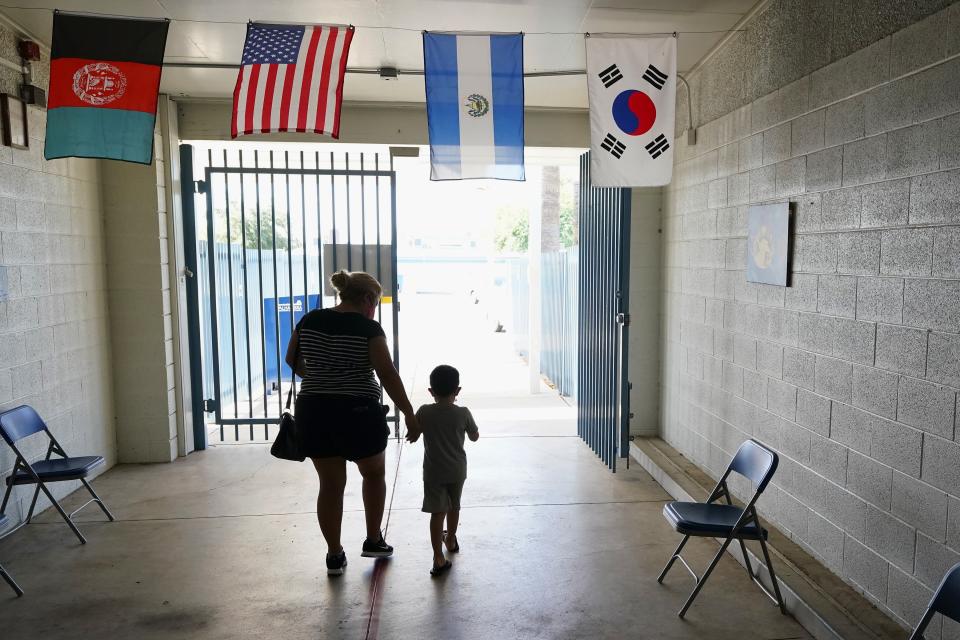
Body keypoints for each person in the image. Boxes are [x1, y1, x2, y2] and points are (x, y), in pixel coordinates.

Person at [285, 270, 418, 576]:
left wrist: (321, 379)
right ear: (368, 298)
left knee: (330, 485)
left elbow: (292, 358)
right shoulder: (368, 327)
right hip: (358, 413)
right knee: (373, 473)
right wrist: (409, 411)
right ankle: (373, 539)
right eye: (375, 301)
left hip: (315, 411)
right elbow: (386, 373)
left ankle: (334, 555)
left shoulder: (310, 320)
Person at [405, 364, 480, 576]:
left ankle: (438, 557)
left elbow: (415, 432)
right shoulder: (463, 413)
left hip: (433, 472)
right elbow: (474, 437)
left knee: (437, 512)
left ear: (431, 391)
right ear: (457, 391)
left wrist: (415, 433)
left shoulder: (424, 411)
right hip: (457, 470)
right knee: (454, 506)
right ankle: (451, 538)